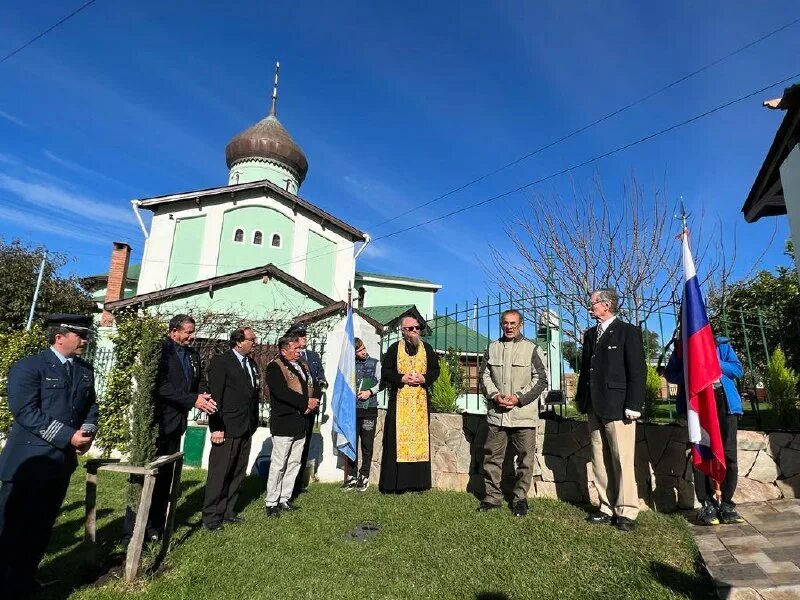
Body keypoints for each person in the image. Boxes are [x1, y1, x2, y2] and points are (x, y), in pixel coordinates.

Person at [0, 314, 98, 597]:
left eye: (86, 335)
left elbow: (90, 407)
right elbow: (26, 412)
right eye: (80, 335)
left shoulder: (84, 370)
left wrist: (87, 432)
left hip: (60, 464)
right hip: (27, 464)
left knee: (41, 528)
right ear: (59, 337)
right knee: (11, 529)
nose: (85, 340)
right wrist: (69, 436)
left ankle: (24, 580)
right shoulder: (30, 366)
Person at [125, 314, 217, 544]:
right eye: (188, 332)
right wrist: (192, 400)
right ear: (174, 331)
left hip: (177, 424)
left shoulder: (192, 354)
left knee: (165, 477)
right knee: (146, 476)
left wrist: (202, 395)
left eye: (193, 332)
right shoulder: (160, 350)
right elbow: (160, 386)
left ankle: (155, 526)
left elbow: (198, 381)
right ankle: (133, 531)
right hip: (156, 423)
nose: (192, 336)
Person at [575, 289, 646, 532]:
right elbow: (586, 371)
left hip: (619, 406)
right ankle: (606, 507)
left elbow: (637, 371)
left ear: (606, 305)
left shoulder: (628, 331)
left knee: (621, 458)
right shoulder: (590, 334)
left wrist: (634, 404)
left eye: (593, 303)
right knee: (599, 459)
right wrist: (581, 399)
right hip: (594, 405)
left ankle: (626, 511)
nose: (590, 307)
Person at [664, 335, 744, 526]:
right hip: (697, 403)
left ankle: (726, 503)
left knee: (729, 454)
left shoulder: (722, 344)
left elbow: (737, 370)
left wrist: (713, 362)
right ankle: (707, 503)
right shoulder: (682, 347)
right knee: (702, 452)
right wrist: (692, 368)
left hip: (724, 403)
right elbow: (671, 374)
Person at [478, 310, 548, 517]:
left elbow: (541, 379)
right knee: (492, 457)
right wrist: (494, 396)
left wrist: (518, 398)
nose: (509, 327)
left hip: (523, 415)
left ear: (521, 325)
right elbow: (484, 376)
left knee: (525, 460)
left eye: (513, 323)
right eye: (506, 323)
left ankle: (520, 499)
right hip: (497, 414)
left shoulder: (532, 348)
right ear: (501, 324)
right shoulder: (492, 348)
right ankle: (492, 498)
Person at [202, 327, 260, 531]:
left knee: (237, 471)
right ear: (238, 342)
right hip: (226, 426)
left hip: (246, 426)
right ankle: (211, 516)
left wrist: (253, 423)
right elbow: (214, 396)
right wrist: (216, 427)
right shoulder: (222, 362)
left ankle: (228, 511)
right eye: (252, 339)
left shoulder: (251, 364)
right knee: (220, 473)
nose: (255, 343)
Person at [379, 316, 440, 494]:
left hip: (420, 402)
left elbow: (435, 370)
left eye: (417, 328)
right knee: (396, 441)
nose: (415, 331)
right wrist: (402, 378)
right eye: (411, 328)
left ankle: (418, 484)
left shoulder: (427, 348)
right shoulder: (394, 349)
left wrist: (424, 378)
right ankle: (396, 484)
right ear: (403, 331)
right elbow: (386, 372)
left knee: (420, 441)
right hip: (399, 402)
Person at [264, 336, 321, 516]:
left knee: (294, 462)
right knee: (279, 463)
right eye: (295, 349)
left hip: (301, 421)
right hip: (284, 421)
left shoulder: (303, 365)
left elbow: (314, 383)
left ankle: (284, 498)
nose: (299, 351)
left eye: (299, 348)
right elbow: (281, 392)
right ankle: (271, 501)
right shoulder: (275, 367)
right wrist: (305, 403)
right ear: (284, 351)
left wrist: (314, 400)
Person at [285, 323, 328, 498]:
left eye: (305, 335)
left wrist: (317, 395)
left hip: (311, 408)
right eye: (300, 335)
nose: (304, 338)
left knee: (303, 446)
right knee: (289, 447)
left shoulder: (313, 356)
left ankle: (297, 484)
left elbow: (320, 378)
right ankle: (285, 485)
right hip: (294, 408)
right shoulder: (286, 356)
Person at [342, 338, 382, 492]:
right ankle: (352, 475)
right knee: (352, 443)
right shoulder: (350, 365)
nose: (363, 352)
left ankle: (364, 475)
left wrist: (369, 392)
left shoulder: (375, 363)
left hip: (369, 409)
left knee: (366, 443)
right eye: (359, 351)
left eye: (364, 348)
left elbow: (382, 382)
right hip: (352, 411)